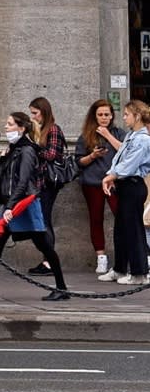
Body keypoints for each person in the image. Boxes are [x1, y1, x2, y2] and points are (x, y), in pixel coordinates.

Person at [0, 109, 69, 301]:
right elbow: (10, 178)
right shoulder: (15, 149)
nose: (6, 127)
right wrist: (4, 158)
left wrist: (9, 207)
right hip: (15, 205)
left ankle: (62, 288)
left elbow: (23, 182)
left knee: (44, 246)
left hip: (24, 206)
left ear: (21, 128)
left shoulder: (27, 150)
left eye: (10, 124)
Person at [100, 98, 150, 285]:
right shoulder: (132, 136)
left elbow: (130, 163)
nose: (124, 117)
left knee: (133, 229)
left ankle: (139, 273)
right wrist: (112, 175)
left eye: (127, 114)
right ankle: (119, 268)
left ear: (137, 116)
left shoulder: (143, 139)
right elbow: (121, 157)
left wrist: (111, 176)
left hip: (133, 185)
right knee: (121, 229)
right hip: (125, 185)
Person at [79, 99, 121, 280]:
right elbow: (79, 161)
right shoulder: (86, 135)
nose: (104, 118)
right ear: (94, 116)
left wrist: (108, 135)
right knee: (95, 218)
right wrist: (93, 155)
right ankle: (101, 257)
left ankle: (125, 255)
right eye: (100, 115)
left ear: (112, 116)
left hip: (114, 182)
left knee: (121, 216)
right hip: (92, 181)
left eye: (107, 114)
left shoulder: (119, 133)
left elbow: (126, 151)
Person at [26, 95, 67, 278]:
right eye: (31, 113)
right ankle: (47, 260)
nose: (33, 117)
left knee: (44, 220)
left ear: (44, 112)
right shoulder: (38, 130)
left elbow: (52, 154)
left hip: (48, 182)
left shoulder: (53, 129)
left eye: (35, 113)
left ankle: (49, 262)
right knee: (41, 220)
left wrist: (34, 146)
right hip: (38, 182)